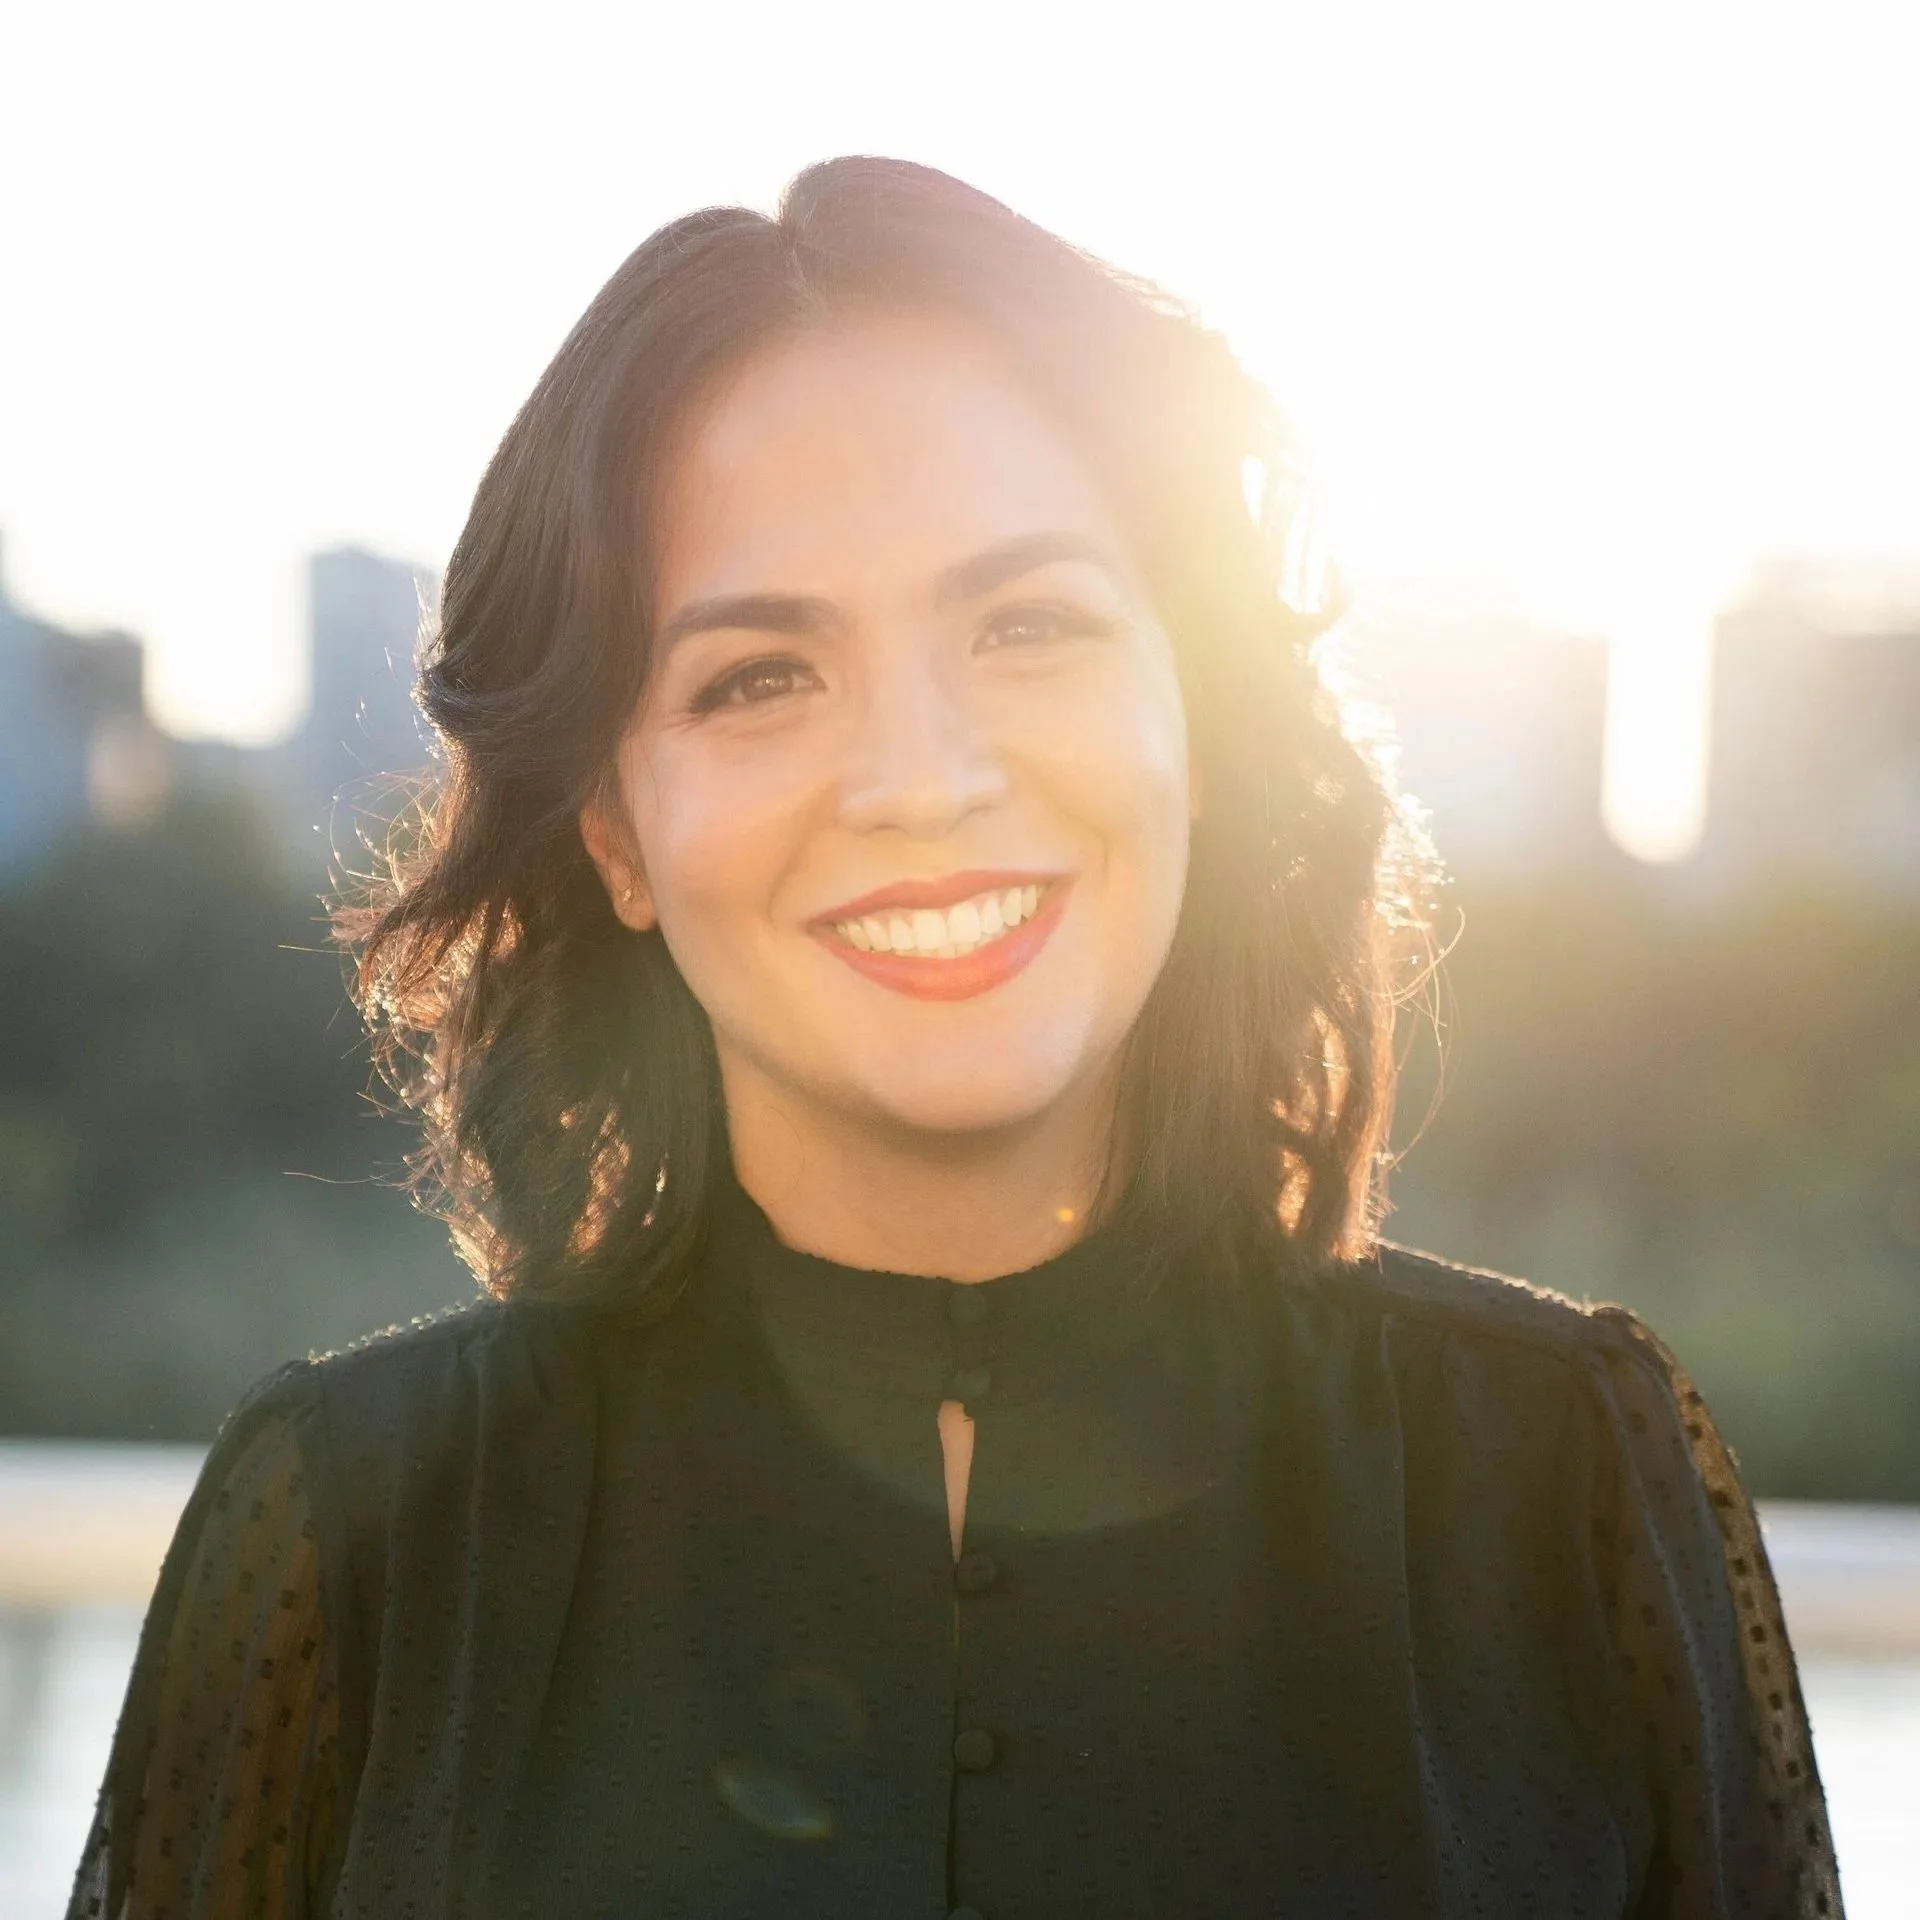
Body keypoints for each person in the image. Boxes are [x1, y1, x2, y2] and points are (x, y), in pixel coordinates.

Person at [68, 157, 1841, 1919]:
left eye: (1030, 625)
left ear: (1199, 720)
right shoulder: (347, 1530)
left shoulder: (1567, 1479)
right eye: (761, 678)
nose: (923, 779)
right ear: (614, 833)